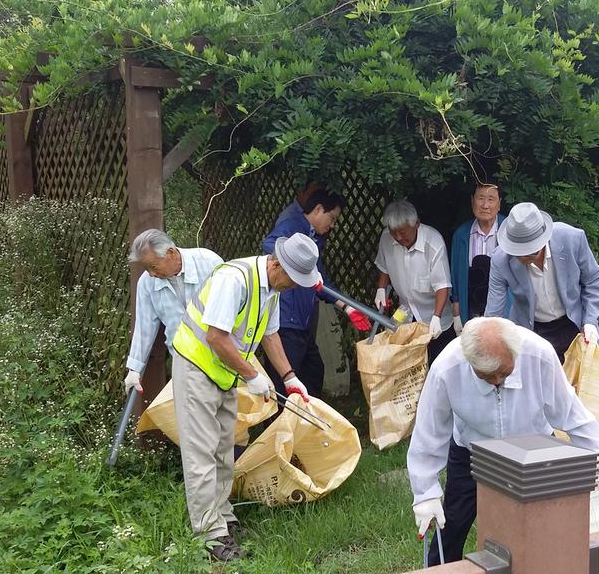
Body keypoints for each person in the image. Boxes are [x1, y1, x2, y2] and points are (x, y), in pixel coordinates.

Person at [407, 317, 599, 564]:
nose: (497, 381)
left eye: (504, 373)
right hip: (473, 452)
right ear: (470, 362)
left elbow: (569, 410)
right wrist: (425, 493)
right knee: (452, 523)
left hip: (535, 450)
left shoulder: (538, 354)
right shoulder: (447, 367)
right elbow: (429, 429)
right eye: (487, 376)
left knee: (545, 522)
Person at [170, 233, 322, 561]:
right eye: (294, 278)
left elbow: (270, 334)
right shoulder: (233, 280)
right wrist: (253, 376)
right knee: (201, 454)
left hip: (225, 372)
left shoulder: (273, 288)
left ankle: (223, 518)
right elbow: (216, 337)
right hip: (197, 366)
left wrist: (289, 377)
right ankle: (210, 536)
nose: (295, 286)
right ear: (277, 263)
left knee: (225, 448)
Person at [262, 189, 371, 398]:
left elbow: (321, 283)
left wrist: (347, 308)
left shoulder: (313, 239)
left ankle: (304, 425)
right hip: (286, 320)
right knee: (283, 380)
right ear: (319, 209)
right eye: (332, 217)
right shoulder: (293, 227)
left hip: (303, 322)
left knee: (313, 370)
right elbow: (269, 244)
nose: (332, 224)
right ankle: (279, 427)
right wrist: (292, 262)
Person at [485, 202, 599, 364]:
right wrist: (486, 344)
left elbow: (593, 279)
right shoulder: (500, 260)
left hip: (575, 323)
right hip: (533, 331)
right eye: (518, 252)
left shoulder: (572, 238)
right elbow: (494, 312)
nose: (523, 258)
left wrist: (590, 321)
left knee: (586, 385)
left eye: (530, 253)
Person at [122, 229, 223, 396]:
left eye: (153, 266)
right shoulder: (147, 283)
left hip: (221, 357)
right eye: (146, 268)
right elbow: (144, 327)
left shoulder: (208, 262)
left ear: (170, 253)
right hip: (183, 362)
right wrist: (134, 369)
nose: (151, 274)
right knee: (192, 419)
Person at [373, 199, 455, 362]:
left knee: (437, 363)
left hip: (434, 315)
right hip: (405, 311)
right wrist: (381, 289)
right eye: (393, 232)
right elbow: (384, 267)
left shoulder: (433, 242)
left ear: (416, 224)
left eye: (402, 232)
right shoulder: (386, 238)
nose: (398, 237)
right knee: (408, 367)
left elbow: (442, 285)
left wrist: (436, 317)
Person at [449, 182, 506, 328]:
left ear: (499, 204)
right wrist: (456, 304)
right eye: (480, 198)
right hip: (471, 306)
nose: (485, 205)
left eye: (491, 199)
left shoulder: (509, 231)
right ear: (472, 201)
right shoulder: (461, 234)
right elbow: (456, 272)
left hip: (504, 306)